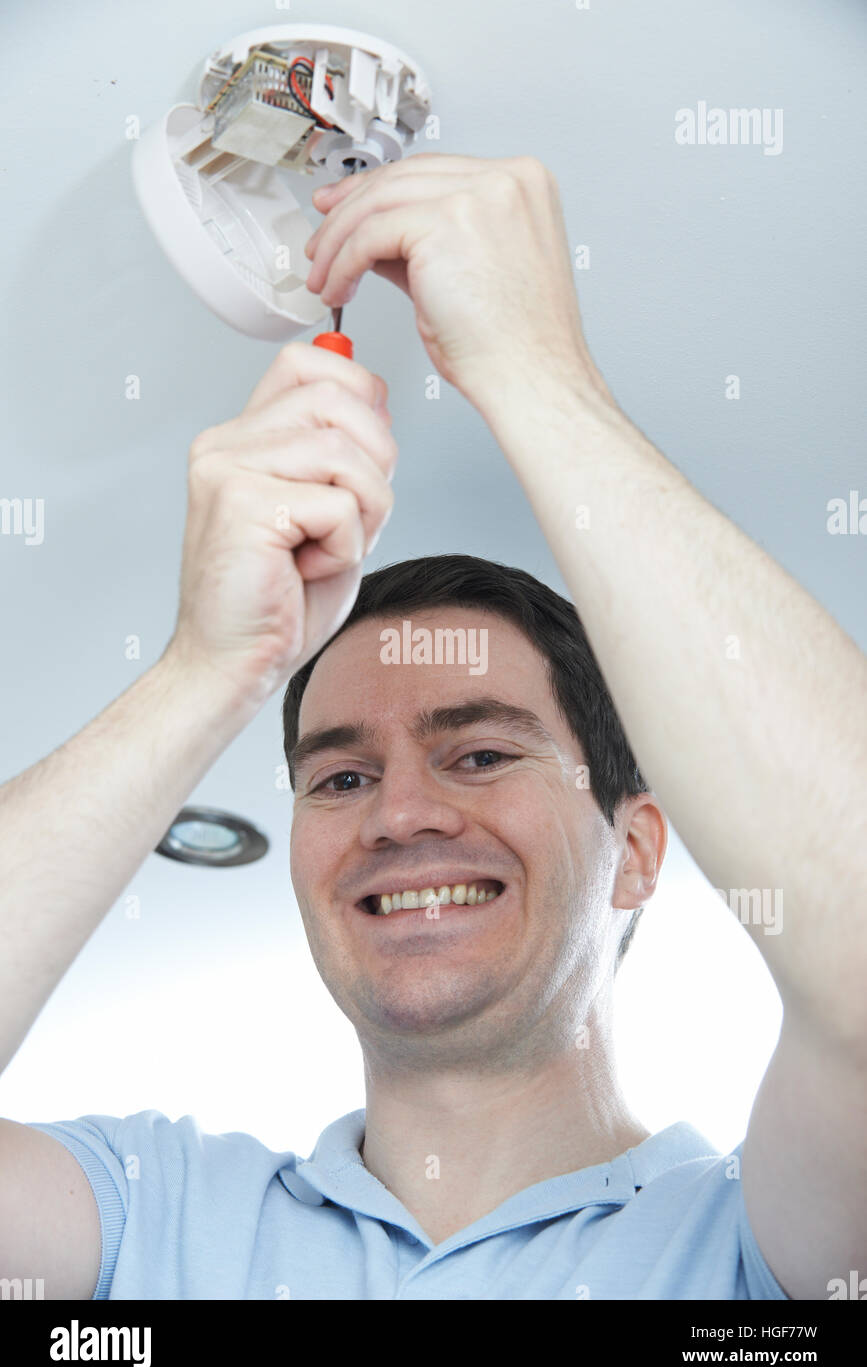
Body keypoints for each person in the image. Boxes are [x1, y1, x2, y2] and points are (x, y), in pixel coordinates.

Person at [1, 154, 864, 1301]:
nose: (401, 813)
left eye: (481, 752)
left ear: (640, 847)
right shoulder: (140, 1222)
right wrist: (208, 669)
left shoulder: (764, 1259)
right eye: (342, 777)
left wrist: (535, 371)